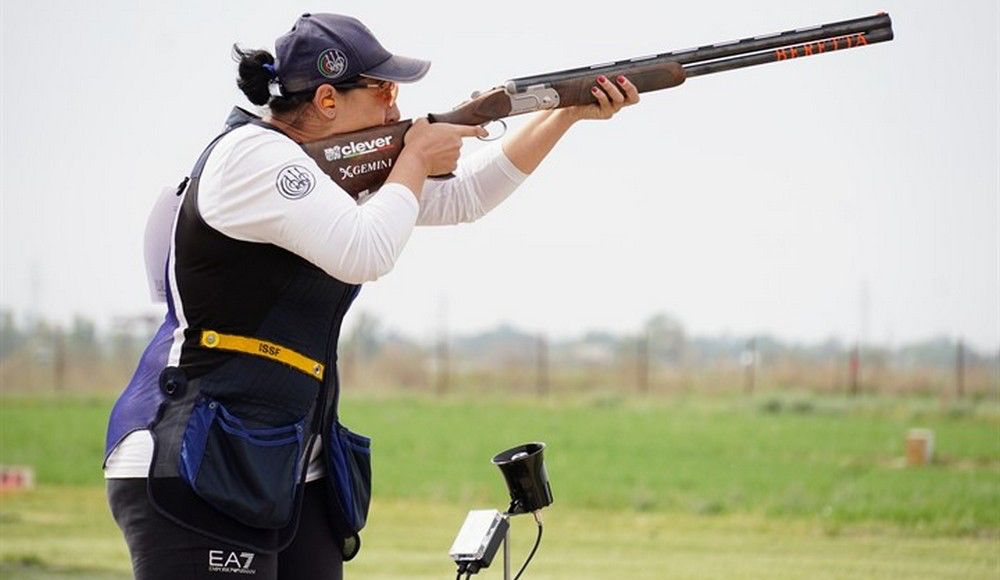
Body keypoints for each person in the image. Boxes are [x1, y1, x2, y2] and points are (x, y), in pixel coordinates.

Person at [103, 12, 639, 580]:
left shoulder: (327, 172)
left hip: (277, 461)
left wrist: (566, 112)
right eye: (383, 89)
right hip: (195, 452)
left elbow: (466, 199)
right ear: (328, 99)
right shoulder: (251, 158)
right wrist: (413, 160)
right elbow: (366, 250)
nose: (395, 106)